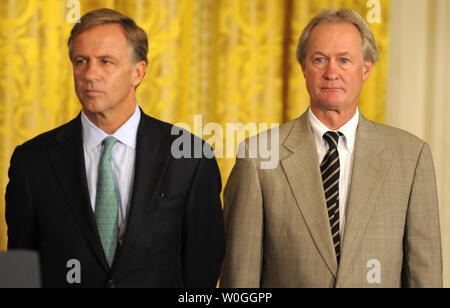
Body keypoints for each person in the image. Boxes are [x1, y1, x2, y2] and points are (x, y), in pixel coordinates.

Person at [220, 9, 442, 288]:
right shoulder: (258, 157)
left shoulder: (411, 157)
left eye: (344, 60)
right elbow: (240, 279)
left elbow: (425, 274)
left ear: (366, 68)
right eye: (319, 59)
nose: (331, 72)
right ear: (303, 67)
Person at [5, 8, 225, 288]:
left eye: (106, 62)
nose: (89, 74)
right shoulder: (32, 161)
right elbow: (20, 270)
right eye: (80, 61)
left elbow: (202, 267)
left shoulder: (191, 157)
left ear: (138, 72)